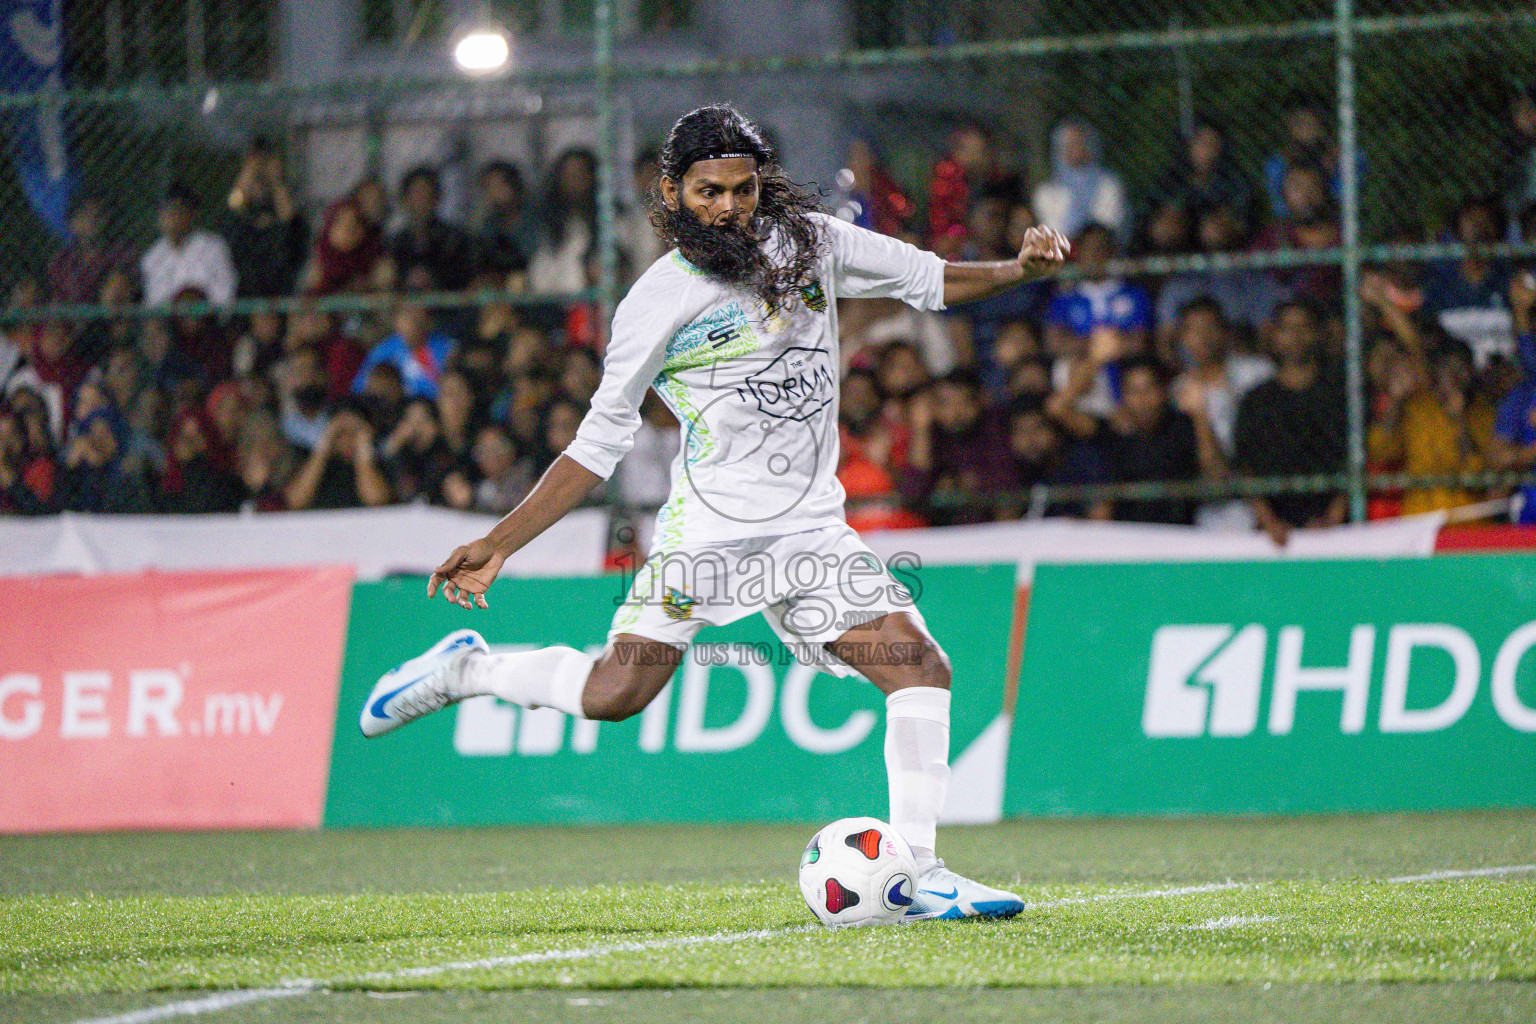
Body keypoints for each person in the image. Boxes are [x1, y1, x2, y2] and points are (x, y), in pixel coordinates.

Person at [358, 103, 1070, 922]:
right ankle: (468, 669)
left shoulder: (812, 242)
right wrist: (498, 542)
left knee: (920, 669)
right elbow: (595, 448)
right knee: (615, 694)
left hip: (810, 531)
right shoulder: (655, 303)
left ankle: (921, 874)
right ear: (672, 192)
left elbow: (928, 278)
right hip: (710, 536)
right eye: (708, 192)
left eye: (742, 188)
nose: (729, 207)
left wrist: (1019, 270)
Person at [1234, 300, 1347, 544]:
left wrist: (1334, 519)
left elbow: (1354, 460)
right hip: (1274, 535)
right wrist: (1269, 522)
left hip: (1336, 532)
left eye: (1304, 327)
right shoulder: (1256, 401)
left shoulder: (1340, 395)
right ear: (1274, 335)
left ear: (1318, 334)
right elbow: (1245, 468)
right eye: (1287, 328)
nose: (1296, 336)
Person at [225, 137, 307, 298]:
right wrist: (246, 178)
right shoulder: (240, 207)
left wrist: (276, 180)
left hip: (282, 281)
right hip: (248, 284)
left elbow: (290, 222)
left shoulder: (281, 199)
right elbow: (233, 211)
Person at [139, 183, 236, 306]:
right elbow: (153, 301)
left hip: (207, 318)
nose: (171, 217)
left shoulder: (213, 246)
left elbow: (226, 291)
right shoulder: (151, 256)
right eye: (166, 211)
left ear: (191, 214)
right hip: (169, 321)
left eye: (178, 210)